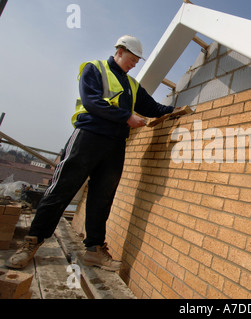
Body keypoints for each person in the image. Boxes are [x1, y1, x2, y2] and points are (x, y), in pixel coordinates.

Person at [7, 35, 176, 271]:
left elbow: (153, 108)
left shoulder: (132, 85)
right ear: (119, 51)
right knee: (61, 190)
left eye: (138, 60)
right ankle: (32, 241)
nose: (135, 63)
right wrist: (126, 117)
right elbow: (92, 101)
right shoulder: (94, 69)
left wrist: (176, 111)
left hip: (115, 144)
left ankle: (94, 250)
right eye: (133, 58)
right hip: (89, 137)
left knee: (102, 197)